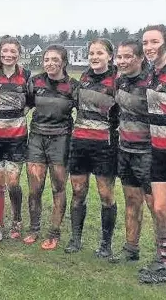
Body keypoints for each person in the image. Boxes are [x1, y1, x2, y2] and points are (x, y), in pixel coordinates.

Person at [65, 38, 119, 257]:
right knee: (78, 192)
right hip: (79, 143)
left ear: (109, 56)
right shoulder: (84, 77)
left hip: (105, 146)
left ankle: (106, 244)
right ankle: (75, 239)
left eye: (99, 53)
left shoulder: (117, 79)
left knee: (106, 194)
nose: (94, 57)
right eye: (91, 53)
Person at [23, 44, 79, 250]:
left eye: (55, 59)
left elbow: (83, 112)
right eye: (47, 59)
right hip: (37, 138)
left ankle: (54, 233)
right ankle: (34, 229)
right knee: (35, 188)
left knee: (58, 188)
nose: (50, 63)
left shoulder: (73, 86)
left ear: (64, 62)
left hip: (61, 141)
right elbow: (26, 105)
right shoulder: (35, 82)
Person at [109, 39, 155, 264]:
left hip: (149, 153)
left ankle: (161, 257)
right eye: (119, 57)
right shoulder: (120, 81)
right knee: (131, 200)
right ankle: (131, 249)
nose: (123, 61)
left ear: (140, 58)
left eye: (128, 57)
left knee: (156, 206)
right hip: (125, 149)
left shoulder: (151, 82)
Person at [0, 36, 31, 242]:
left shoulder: (26, 75)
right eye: (5, 51)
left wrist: (19, 116)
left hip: (17, 137)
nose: (9, 55)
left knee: (13, 182)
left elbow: (31, 101)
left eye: (13, 51)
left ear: (18, 54)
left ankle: (17, 220)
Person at [139, 24, 166, 284]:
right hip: (157, 149)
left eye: (154, 41)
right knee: (159, 208)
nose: (149, 47)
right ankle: (162, 260)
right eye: (145, 42)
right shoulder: (151, 74)